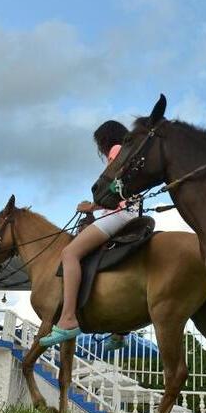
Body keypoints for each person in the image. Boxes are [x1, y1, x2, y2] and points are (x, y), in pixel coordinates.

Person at [39, 121, 138, 349]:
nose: (100, 149)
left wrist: (90, 207)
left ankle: (68, 318)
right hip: (132, 214)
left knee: (70, 253)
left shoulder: (117, 150)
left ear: (105, 140)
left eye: (99, 144)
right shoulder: (131, 153)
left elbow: (116, 190)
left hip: (120, 214)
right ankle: (119, 332)